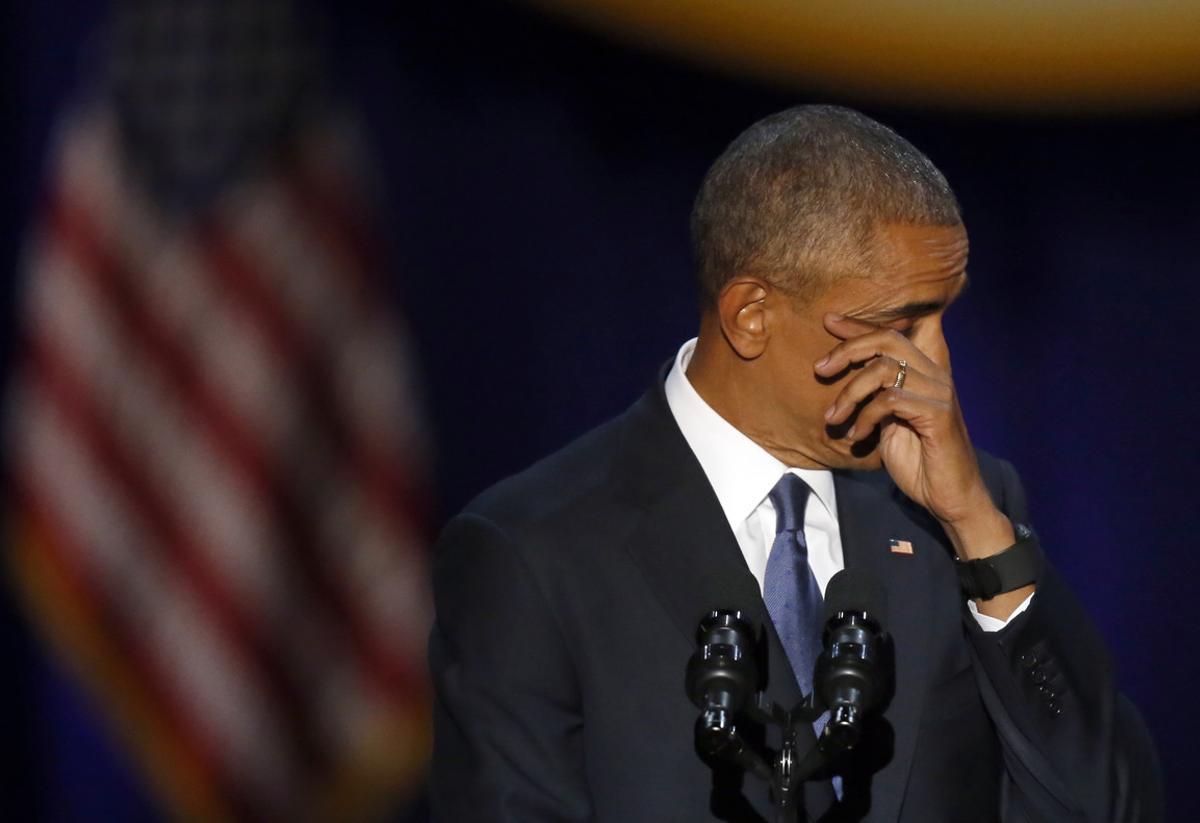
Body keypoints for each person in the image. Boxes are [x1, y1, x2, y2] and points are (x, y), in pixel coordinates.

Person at [428, 105, 1162, 822]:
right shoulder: (532, 554)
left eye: (944, 319)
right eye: (899, 325)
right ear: (751, 316)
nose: (935, 365)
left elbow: (1109, 803)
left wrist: (979, 532)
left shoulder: (966, 513)